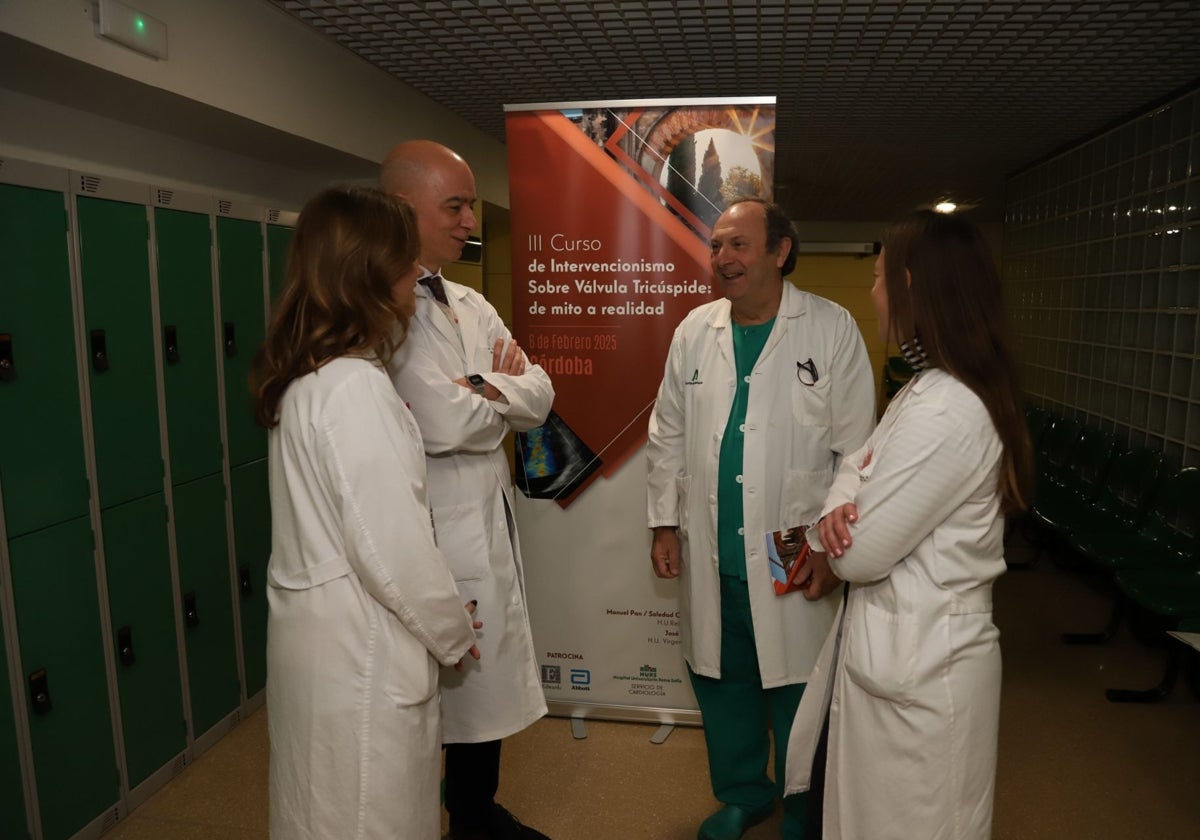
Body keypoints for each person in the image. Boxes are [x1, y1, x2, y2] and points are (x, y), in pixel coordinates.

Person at [783, 210, 1035, 839]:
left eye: (878, 277)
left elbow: (859, 554)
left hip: (927, 665)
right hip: (895, 650)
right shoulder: (923, 390)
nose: (872, 291)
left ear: (913, 288)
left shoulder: (951, 408)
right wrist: (843, 505)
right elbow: (853, 469)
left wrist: (842, 521)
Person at [251, 186, 481, 839]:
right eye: (405, 261)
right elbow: (392, 552)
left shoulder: (308, 378)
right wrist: (452, 631)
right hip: (361, 660)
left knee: (319, 813)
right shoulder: (354, 388)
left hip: (323, 650)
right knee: (365, 818)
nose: (417, 273)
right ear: (369, 275)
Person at [646, 197, 876, 840]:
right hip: (713, 543)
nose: (723, 259)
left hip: (792, 542)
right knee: (723, 677)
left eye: (739, 245)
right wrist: (664, 523)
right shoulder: (696, 329)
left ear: (780, 251)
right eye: (717, 246)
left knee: (798, 683)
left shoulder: (830, 329)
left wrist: (834, 553)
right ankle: (745, 793)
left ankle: (804, 807)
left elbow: (858, 451)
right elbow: (666, 433)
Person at [381, 140, 554, 840]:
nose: (467, 223)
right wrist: (495, 399)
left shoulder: (470, 300)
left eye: (469, 207)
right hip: (432, 532)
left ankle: (477, 815)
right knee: (435, 699)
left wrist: (485, 388)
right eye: (453, 206)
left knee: (485, 690)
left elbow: (538, 397)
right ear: (402, 208)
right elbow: (442, 420)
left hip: (485, 517)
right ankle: (437, 818)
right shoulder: (383, 307)